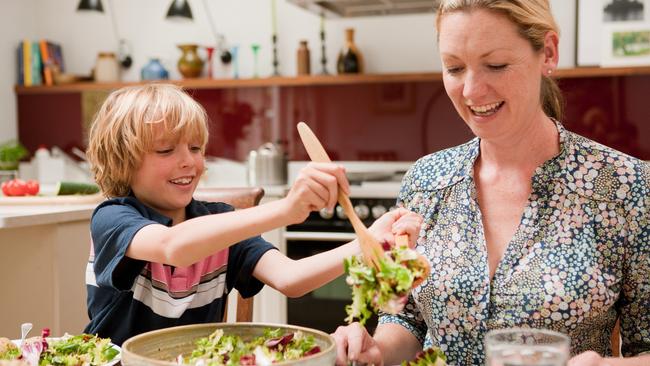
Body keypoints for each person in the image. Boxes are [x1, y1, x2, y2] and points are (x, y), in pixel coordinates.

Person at [331, 1, 650, 365]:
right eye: (453, 67)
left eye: (495, 65)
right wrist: (377, 349)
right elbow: (407, 318)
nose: (470, 91)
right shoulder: (426, 180)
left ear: (547, 53)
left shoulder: (627, 188)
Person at [83, 83, 423, 345]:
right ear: (121, 161)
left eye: (196, 148)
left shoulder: (221, 222)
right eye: (166, 150)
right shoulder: (113, 218)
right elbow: (173, 246)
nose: (189, 161)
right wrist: (287, 209)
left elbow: (291, 279)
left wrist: (368, 242)